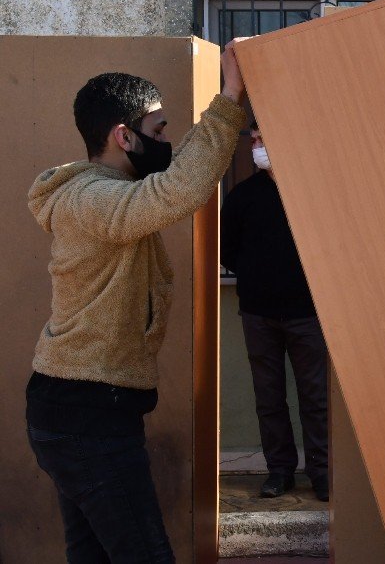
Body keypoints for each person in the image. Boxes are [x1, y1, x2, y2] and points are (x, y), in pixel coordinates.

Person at [26, 40, 248, 563]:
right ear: (123, 137)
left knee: (95, 555)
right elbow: (179, 191)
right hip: (86, 418)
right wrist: (231, 96)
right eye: (159, 131)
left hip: (84, 410)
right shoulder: (93, 200)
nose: (166, 140)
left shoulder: (108, 196)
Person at [220, 122, 329, 502]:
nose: (255, 145)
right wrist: (255, 276)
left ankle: (322, 472)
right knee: (269, 397)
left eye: (261, 138)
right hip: (258, 313)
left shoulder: (313, 193)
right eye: (252, 139)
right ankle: (279, 471)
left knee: (316, 397)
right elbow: (226, 251)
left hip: (308, 313)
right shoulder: (242, 196)